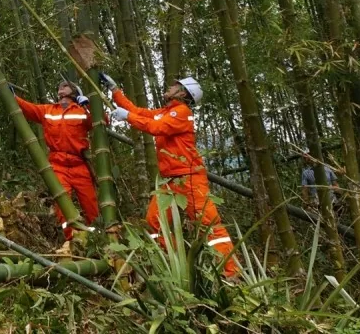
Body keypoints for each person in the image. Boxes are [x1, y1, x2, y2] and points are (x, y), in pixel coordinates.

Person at [101, 71, 240, 278]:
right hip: (169, 180)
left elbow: (156, 127)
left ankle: (231, 273)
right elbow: (138, 111)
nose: (170, 86)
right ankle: (177, 262)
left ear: (183, 94)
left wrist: (127, 117)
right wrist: (115, 90)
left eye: (175, 85)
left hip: (189, 177)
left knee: (209, 224)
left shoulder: (181, 112)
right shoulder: (166, 112)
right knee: (154, 222)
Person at [15, 80, 99, 242]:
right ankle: (73, 240)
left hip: (79, 164)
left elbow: (101, 121)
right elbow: (26, 107)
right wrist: (11, 94)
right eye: (59, 86)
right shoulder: (48, 110)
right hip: (57, 164)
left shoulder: (82, 110)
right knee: (62, 206)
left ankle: (96, 239)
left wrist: (88, 106)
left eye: (65, 86)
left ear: (74, 91)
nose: (61, 88)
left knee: (90, 205)